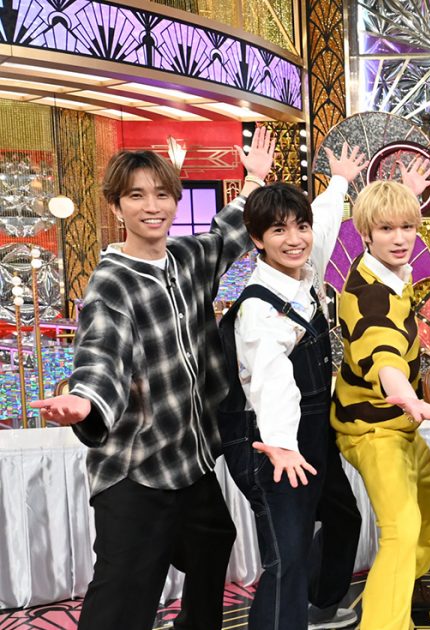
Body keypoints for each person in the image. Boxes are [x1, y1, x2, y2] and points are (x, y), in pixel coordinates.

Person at [31, 129, 276, 629]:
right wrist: (85, 400)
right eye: (136, 196)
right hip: (134, 468)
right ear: (116, 207)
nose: (152, 206)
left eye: (162, 194)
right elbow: (102, 354)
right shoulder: (111, 282)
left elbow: (225, 234)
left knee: (213, 542)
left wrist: (252, 179)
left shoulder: (186, 258)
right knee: (125, 594)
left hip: (187, 459)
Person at [215, 144, 367, 630]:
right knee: (287, 557)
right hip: (268, 438)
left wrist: (339, 181)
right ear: (257, 240)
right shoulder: (260, 305)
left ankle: (321, 605)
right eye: (278, 230)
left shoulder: (304, 271)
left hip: (312, 430)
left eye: (299, 226)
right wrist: (281, 443)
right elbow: (270, 377)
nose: (295, 238)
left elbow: (324, 219)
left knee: (343, 517)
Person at [330, 162, 430, 630]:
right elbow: (383, 355)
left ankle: (397, 586)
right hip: (372, 428)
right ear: (366, 234)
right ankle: (385, 620)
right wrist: (408, 397)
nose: (400, 238)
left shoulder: (389, 274)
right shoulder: (371, 296)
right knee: (401, 531)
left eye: (407, 226)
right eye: (386, 229)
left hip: (396, 423)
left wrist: (407, 194)